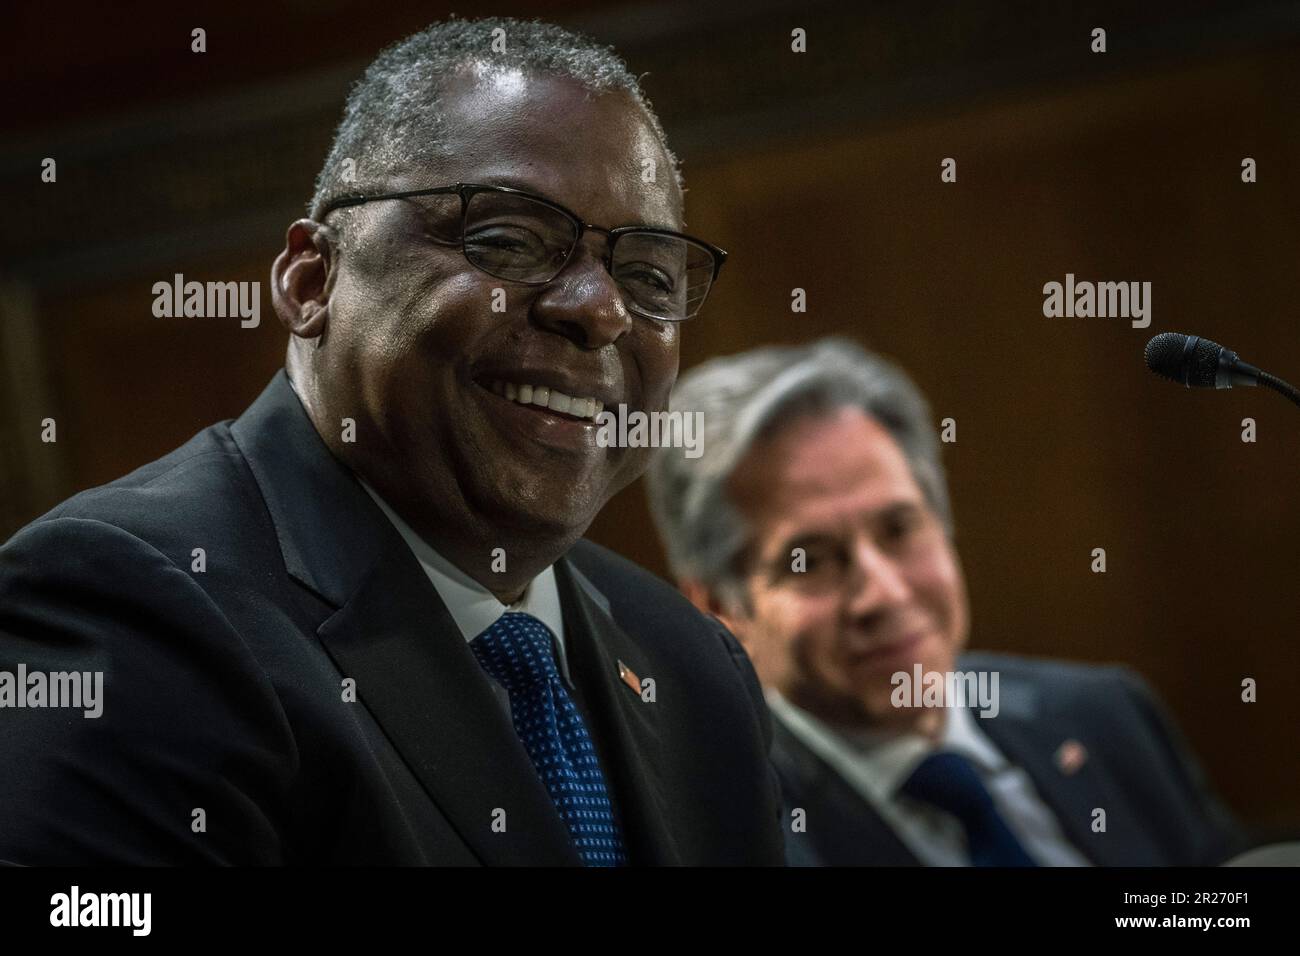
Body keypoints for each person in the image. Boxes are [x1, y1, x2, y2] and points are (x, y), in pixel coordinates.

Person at [0, 18, 784, 866]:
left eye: (648, 276)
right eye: (508, 239)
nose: (599, 311)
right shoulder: (130, 606)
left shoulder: (692, 666)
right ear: (313, 281)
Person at [645, 337, 1248, 866]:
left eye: (899, 529)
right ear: (718, 608)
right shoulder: (729, 831)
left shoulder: (1107, 714)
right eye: (814, 559)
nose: (881, 592)